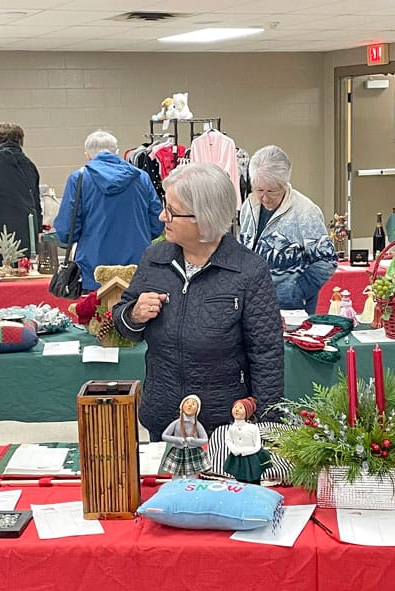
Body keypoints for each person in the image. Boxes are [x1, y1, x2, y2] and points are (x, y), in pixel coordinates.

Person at [112, 162, 284, 441]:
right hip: (163, 419)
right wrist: (134, 314)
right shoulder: (154, 259)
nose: (162, 216)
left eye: (172, 211)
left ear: (204, 217)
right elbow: (123, 323)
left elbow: (267, 355)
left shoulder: (249, 271)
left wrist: (266, 426)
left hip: (226, 425)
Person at [54, 129, 163, 292]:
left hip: (93, 269)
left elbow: (66, 231)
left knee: (96, 309)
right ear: (117, 152)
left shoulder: (79, 179)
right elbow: (157, 222)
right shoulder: (141, 177)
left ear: (87, 155)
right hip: (137, 267)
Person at [238, 145, 337, 313]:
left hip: (292, 309)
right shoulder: (249, 205)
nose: (264, 198)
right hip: (253, 304)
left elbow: (327, 261)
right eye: (259, 190)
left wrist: (296, 291)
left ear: (284, 185)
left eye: (272, 191)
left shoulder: (306, 212)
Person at [0, 123, 43, 268]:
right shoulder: (29, 165)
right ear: (20, 140)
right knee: (22, 274)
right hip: (25, 231)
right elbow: (36, 200)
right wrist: (38, 229)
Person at [160, 395, 210, 479]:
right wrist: (178, 440)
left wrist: (193, 441)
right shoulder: (176, 423)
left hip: (193, 453)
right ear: (182, 406)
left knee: (192, 476)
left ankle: (189, 487)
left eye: (193, 404)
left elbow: (205, 440)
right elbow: (164, 436)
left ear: (197, 409)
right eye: (187, 403)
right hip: (178, 451)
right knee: (176, 475)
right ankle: (176, 486)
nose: (190, 405)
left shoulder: (197, 425)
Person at [223, 397, 271, 485]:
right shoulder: (231, 428)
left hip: (252, 457)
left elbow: (257, 444)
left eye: (240, 408)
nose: (237, 410)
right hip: (238, 457)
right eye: (235, 407)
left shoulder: (252, 428)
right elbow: (228, 440)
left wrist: (249, 451)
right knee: (239, 477)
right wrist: (234, 449)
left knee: (254, 476)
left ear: (247, 412)